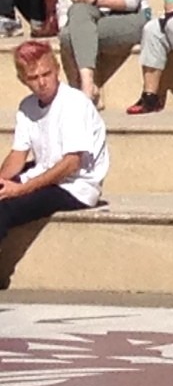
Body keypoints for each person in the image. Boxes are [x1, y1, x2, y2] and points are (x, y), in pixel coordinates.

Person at [0, 33, 105, 238]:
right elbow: (17, 156)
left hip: (76, 187)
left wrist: (20, 190)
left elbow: (71, 164)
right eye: (33, 77)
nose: (42, 82)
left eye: (46, 74)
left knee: (5, 209)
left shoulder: (74, 103)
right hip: (46, 173)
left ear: (57, 69)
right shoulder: (27, 106)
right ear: (23, 80)